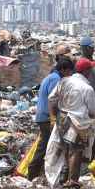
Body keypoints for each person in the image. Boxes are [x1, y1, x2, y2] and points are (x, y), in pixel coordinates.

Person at [48, 57, 95, 187]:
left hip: (62, 119)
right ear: (86, 71)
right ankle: (72, 180)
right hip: (77, 123)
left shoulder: (64, 81)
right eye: (90, 70)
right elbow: (93, 110)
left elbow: (51, 98)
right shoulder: (87, 88)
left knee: (67, 148)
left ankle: (65, 177)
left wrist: (54, 116)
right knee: (76, 150)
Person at [28, 49, 67, 180]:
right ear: (63, 69)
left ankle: (37, 172)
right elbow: (53, 100)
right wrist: (54, 119)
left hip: (43, 116)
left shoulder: (50, 76)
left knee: (45, 144)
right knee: (46, 145)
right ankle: (33, 172)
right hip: (46, 117)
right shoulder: (56, 79)